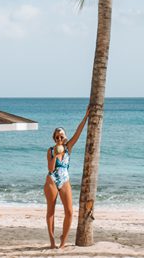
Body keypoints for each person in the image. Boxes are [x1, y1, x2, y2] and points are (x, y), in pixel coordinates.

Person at [43, 105, 90, 249]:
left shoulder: (69, 147)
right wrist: (56, 154)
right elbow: (51, 168)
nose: (59, 138)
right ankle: (52, 241)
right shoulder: (50, 151)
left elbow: (78, 131)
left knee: (69, 212)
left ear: (65, 137)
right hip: (51, 180)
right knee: (51, 211)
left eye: (61, 136)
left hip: (64, 180)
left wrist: (86, 115)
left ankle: (63, 241)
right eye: (57, 137)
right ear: (54, 138)